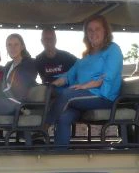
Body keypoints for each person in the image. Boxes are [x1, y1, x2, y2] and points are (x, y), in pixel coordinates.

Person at [46, 15, 123, 147]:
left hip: (103, 96)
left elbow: (108, 76)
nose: (93, 33)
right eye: (90, 30)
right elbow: (68, 76)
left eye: (97, 29)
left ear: (105, 31)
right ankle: (59, 154)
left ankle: (43, 127)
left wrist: (84, 86)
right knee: (63, 117)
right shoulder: (86, 57)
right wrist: (52, 85)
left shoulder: (113, 49)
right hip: (81, 98)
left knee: (67, 94)